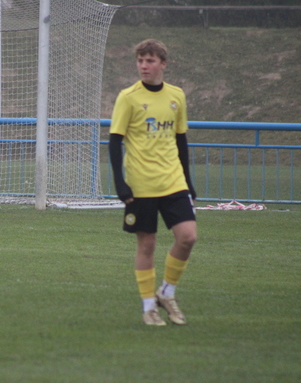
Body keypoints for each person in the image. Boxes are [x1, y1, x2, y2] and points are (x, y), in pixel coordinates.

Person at [109, 39, 197, 327]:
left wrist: (188, 180)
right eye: (140, 61)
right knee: (147, 246)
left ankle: (166, 292)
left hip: (173, 182)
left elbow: (181, 139)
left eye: (150, 61)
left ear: (163, 64)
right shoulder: (129, 97)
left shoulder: (176, 96)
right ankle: (149, 307)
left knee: (188, 237)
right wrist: (120, 184)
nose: (144, 66)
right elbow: (114, 141)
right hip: (141, 184)